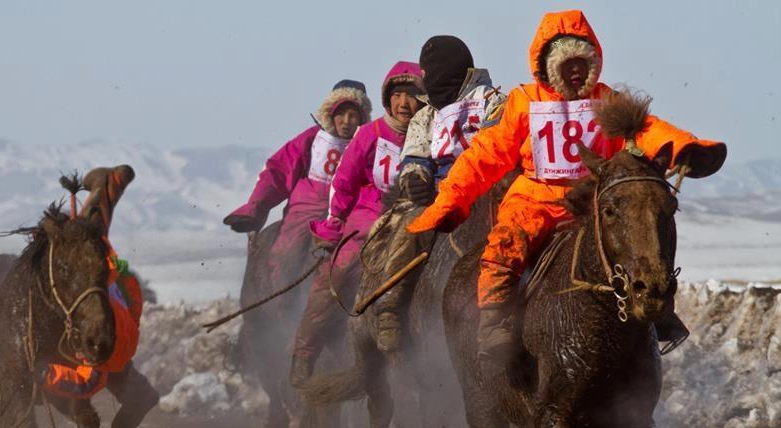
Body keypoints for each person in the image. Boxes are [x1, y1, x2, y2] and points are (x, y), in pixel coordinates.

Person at [406, 9, 726, 367]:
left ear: (594, 63)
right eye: (565, 63)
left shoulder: (607, 101)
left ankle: (657, 306)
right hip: (535, 197)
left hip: (592, 199)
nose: (575, 71)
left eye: (582, 62)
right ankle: (494, 321)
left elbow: (647, 128)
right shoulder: (525, 102)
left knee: (642, 232)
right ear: (546, 65)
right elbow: (487, 153)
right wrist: (451, 201)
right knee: (504, 244)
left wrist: (682, 148)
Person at [291, 62, 424, 384]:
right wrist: (334, 223)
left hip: (415, 217)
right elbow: (345, 181)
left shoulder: (428, 134)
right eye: (398, 95)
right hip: (367, 218)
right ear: (387, 98)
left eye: (413, 95)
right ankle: (304, 352)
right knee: (333, 277)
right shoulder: (370, 133)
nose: (404, 103)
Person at [372, 36, 507, 352]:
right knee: (409, 229)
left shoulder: (495, 101)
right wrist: (415, 178)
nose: (427, 81)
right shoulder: (425, 114)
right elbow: (415, 155)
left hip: (485, 190)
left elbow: (499, 144)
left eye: (429, 73)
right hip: (439, 193)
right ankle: (389, 307)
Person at [42, 166, 160, 428]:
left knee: (93, 238)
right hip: (117, 306)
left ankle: (109, 183)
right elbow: (86, 382)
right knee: (89, 239)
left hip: (121, 303)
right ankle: (107, 183)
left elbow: (83, 385)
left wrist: (43, 374)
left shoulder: (103, 348)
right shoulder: (104, 341)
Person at [223, 80, 372, 286]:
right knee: (286, 252)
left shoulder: (367, 143)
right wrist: (256, 207)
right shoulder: (312, 138)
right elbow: (279, 171)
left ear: (362, 118)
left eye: (353, 115)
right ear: (330, 113)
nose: (346, 121)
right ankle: (278, 303)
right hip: (306, 207)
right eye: (341, 114)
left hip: (347, 211)